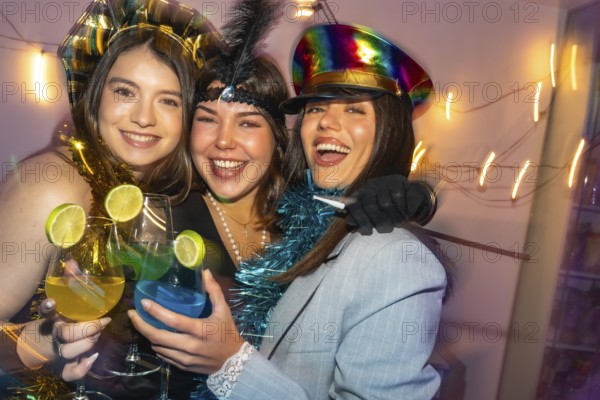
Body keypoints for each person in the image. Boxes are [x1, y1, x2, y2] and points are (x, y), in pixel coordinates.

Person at [129, 22, 448, 400]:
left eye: (355, 110)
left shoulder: (367, 244)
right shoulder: (301, 218)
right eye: (317, 108)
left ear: (278, 137)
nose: (328, 122)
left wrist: (414, 197)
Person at [0, 0, 221, 396]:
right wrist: (38, 340)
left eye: (168, 100)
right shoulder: (51, 186)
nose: (144, 117)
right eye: (125, 92)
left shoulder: (153, 196)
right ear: (96, 95)